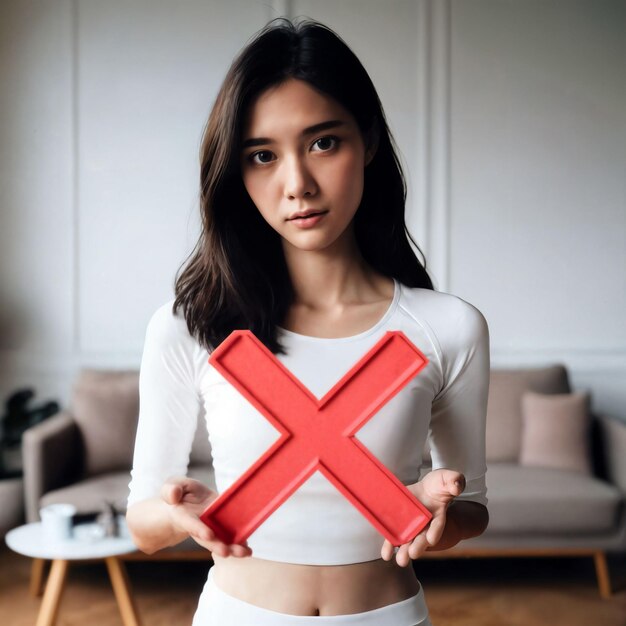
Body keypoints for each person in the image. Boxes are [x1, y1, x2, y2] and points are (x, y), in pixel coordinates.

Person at [126, 17, 490, 626]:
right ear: (235, 173)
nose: (297, 184)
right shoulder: (191, 325)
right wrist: (179, 517)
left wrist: (437, 516)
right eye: (262, 155)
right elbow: (144, 524)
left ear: (367, 141)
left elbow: (473, 508)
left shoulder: (447, 327)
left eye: (324, 142)